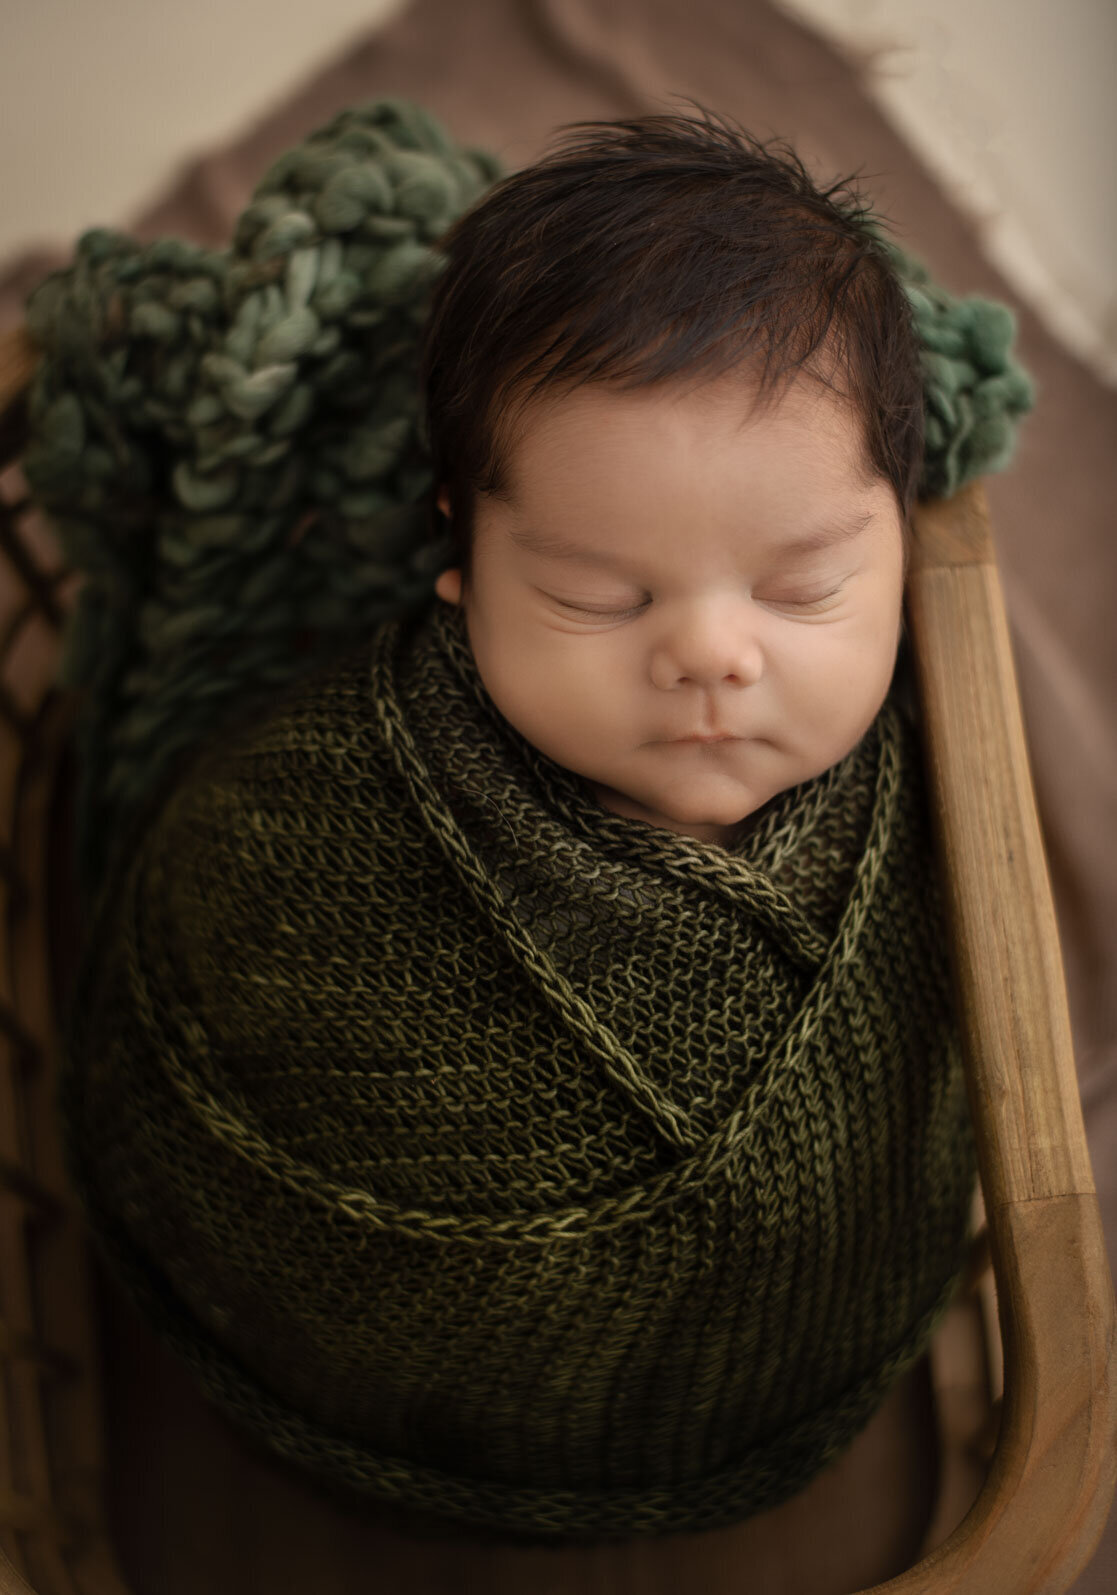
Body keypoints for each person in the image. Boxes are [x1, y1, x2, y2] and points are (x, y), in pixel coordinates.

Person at [61, 108, 986, 1544]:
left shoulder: (930, 797)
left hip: (805, 1346)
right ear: (462, 559)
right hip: (330, 1377)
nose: (709, 657)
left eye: (801, 588)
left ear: (897, 537)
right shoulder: (282, 825)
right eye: (598, 598)